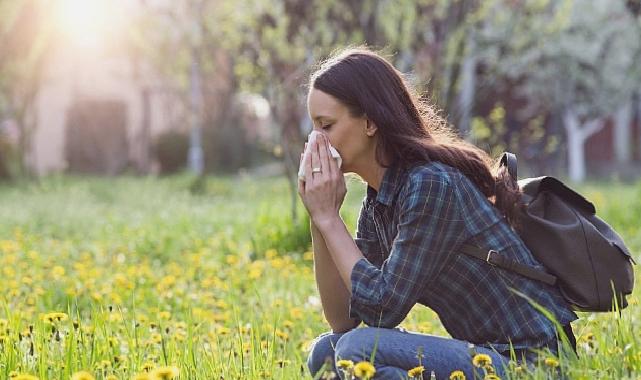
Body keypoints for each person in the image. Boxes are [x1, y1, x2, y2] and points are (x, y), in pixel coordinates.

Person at [298, 46, 578, 380]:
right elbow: (345, 319)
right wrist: (320, 219)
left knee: (356, 350)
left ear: (370, 122)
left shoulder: (430, 184)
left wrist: (330, 220)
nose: (316, 141)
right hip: (485, 357)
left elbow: (382, 309)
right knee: (327, 354)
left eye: (326, 125)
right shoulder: (379, 200)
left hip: (534, 366)